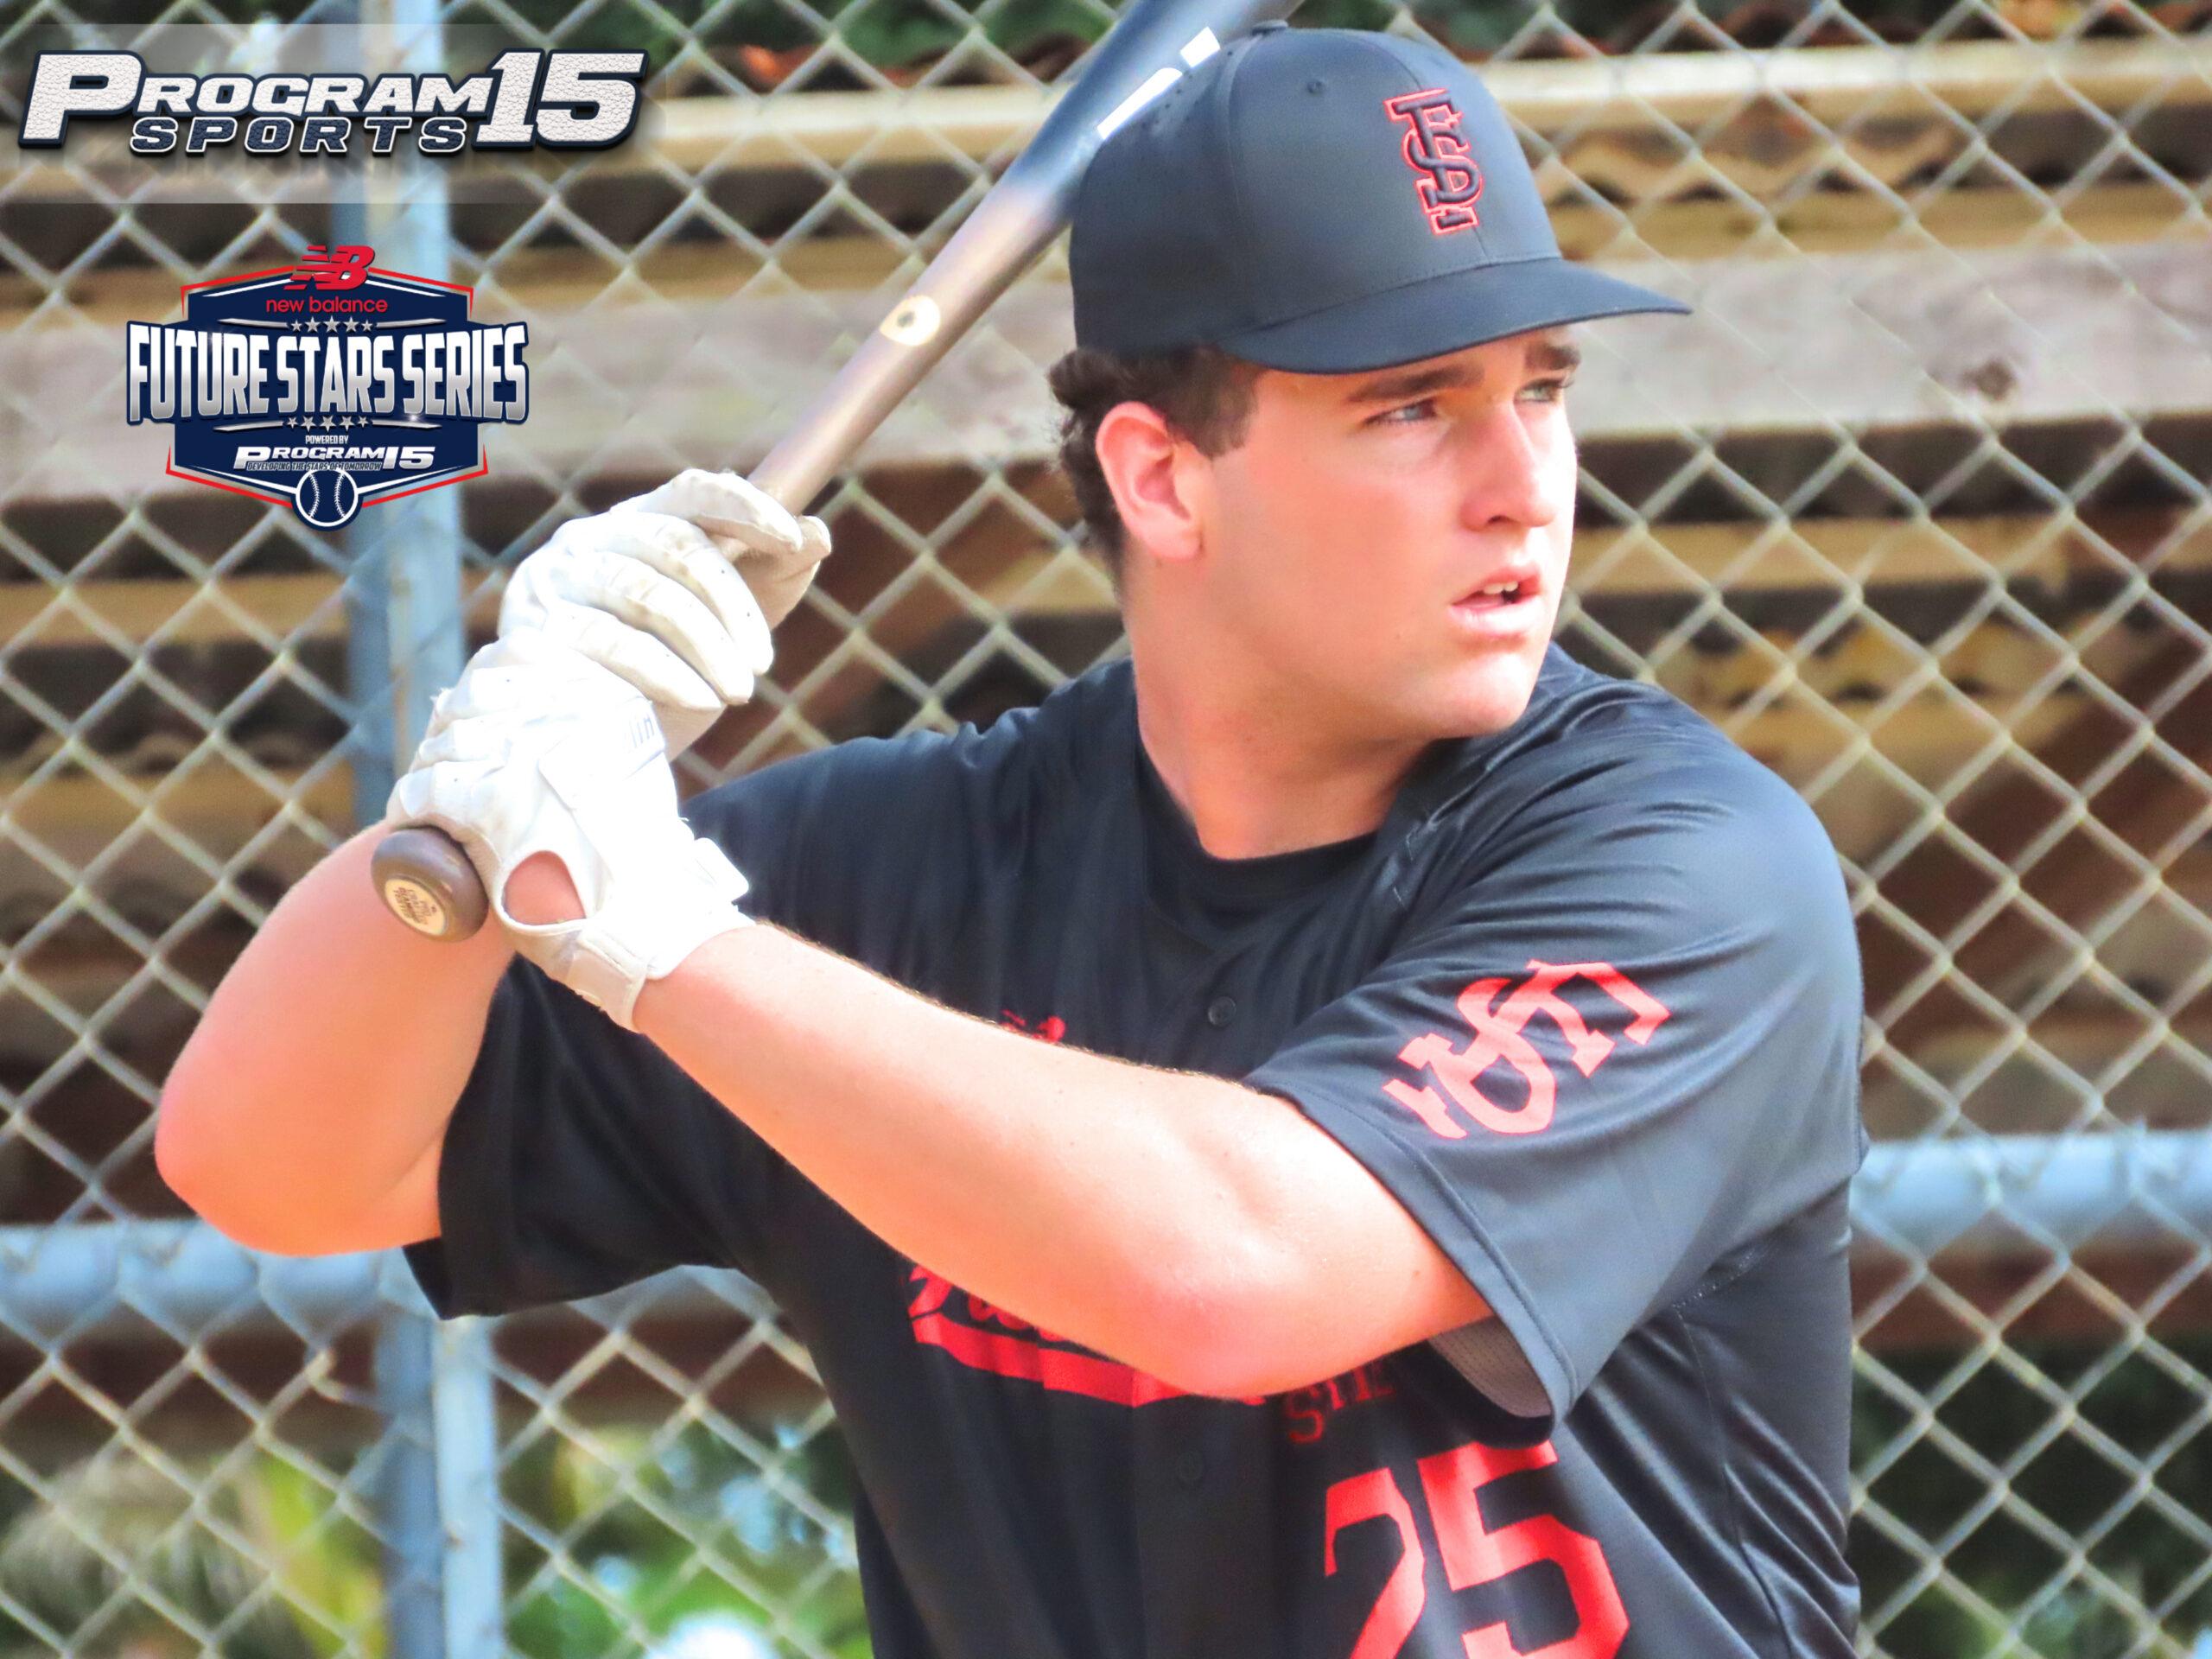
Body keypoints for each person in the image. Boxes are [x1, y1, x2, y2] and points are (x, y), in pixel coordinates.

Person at [158, 25, 1867, 1657]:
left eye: (1540, 388)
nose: (1522, 482)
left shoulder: (1684, 863)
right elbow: (273, 1168)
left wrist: (645, 922)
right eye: (1412, 407)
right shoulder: (891, 874)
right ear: (1163, 479)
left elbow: (1230, 1274)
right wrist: (481, 794)